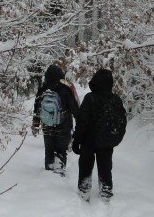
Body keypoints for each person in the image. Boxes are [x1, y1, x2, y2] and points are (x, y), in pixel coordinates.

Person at [72, 68, 129, 201]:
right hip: (106, 140)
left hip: (88, 141)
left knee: (86, 164)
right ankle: (106, 190)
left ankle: (84, 189)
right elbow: (122, 121)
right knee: (105, 165)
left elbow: (82, 122)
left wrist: (76, 140)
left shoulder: (90, 98)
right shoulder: (116, 99)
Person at [31, 63, 80, 174]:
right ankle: (58, 175)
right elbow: (75, 109)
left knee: (49, 151)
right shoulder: (65, 89)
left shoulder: (42, 89)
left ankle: (48, 172)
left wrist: (35, 124)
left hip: (47, 126)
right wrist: (80, 124)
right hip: (64, 126)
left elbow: (37, 108)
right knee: (61, 151)